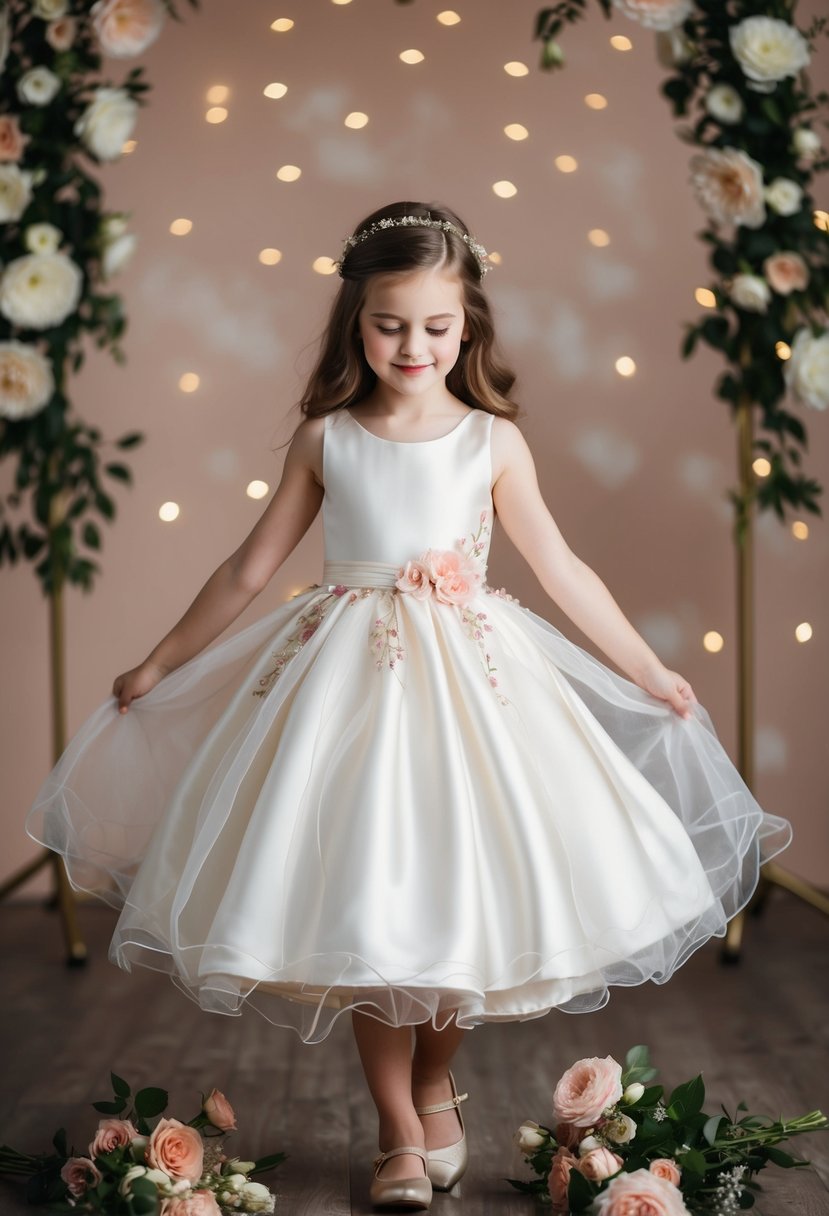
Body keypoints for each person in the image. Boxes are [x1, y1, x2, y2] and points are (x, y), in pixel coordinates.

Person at [26, 201, 792, 1212]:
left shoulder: (492, 442)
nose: (413, 345)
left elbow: (561, 567)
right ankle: (395, 1128)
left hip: (476, 693)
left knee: (455, 907)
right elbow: (247, 567)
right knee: (368, 910)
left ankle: (435, 1077)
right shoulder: (327, 439)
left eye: (435, 325)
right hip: (345, 694)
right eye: (389, 324)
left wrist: (649, 669)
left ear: (466, 324)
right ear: (356, 323)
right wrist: (159, 661)